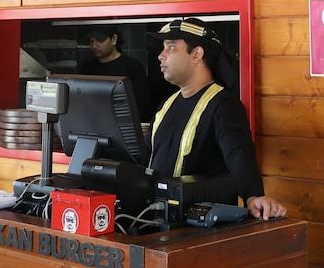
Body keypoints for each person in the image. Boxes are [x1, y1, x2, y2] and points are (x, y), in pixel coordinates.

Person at [148, 17, 286, 221]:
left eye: (171, 48)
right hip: (158, 220)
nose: (161, 55)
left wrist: (253, 196)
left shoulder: (223, 105)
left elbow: (239, 155)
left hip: (198, 231)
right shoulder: (165, 105)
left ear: (196, 54)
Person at [78, 27, 153, 121]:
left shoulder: (133, 67)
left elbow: (143, 105)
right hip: (93, 123)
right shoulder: (87, 68)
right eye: (91, 41)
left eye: (100, 41)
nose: (94, 46)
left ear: (114, 39)